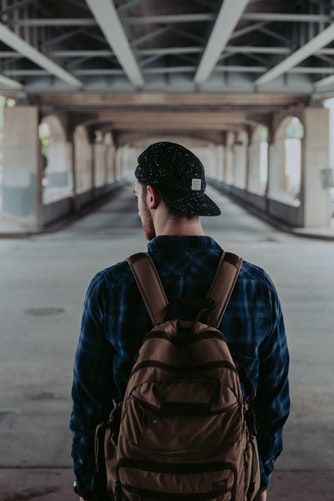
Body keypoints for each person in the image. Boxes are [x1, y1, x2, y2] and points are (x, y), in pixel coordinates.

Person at [70, 141, 290, 500]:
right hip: (226, 481)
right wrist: (259, 477)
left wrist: (89, 482)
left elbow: (88, 403)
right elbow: (274, 401)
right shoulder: (255, 285)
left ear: (151, 196)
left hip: (134, 482)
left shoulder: (111, 287)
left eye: (137, 197)